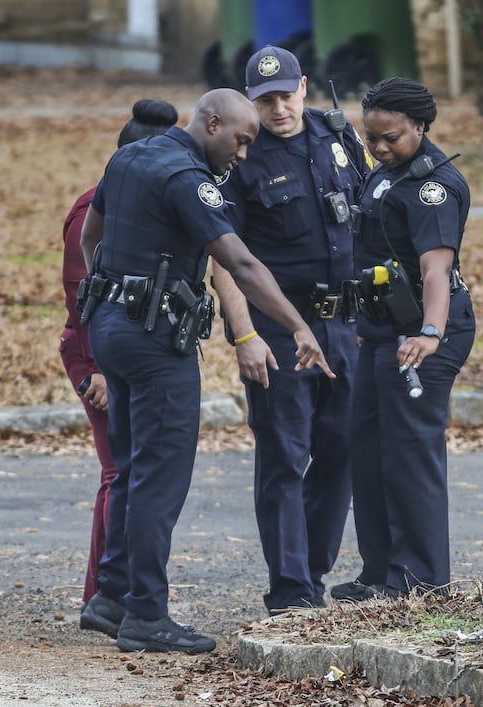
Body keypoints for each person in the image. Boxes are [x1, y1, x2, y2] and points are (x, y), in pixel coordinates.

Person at [78, 87, 335, 654]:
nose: (243, 155)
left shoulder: (128, 157)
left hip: (110, 331)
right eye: (241, 140)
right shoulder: (186, 179)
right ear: (211, 122)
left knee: (128, 465)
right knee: (158, 476)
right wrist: (297, 326)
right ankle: (146, 615)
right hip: (153, 343)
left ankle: (112, 595)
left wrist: (111, 292)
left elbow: (89, 236)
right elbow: (240, 262)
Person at [211, 46, 370, 615]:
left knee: (341, 449)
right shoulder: (240, 156)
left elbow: (367, 219)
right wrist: (245, 336)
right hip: (280, 331)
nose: (278, 109)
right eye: (266, 100)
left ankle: (314, 570)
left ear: (304, 87)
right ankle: (290, 589)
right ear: (250, 100)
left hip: (345, 324)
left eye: (286, 95)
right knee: (284, 454)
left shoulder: (337, 135)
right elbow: (225, 258)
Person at [330, 78, 476, 602]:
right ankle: (381, 573)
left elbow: (436, 269)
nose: (380, 148)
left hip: (427, 330)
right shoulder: (388, 174)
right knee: (368, 449)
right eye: (372, 138)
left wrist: (430, 333)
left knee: (409, 453)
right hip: (383, 330)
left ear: (420, 126)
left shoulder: (434, 187)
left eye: (391, 137)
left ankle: (420, 580)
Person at [60, 99, 179, 607]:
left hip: (131, 352)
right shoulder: (93, 211)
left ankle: (118, 593)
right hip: (96, 359)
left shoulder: (154, 208)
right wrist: (98, 371)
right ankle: (103, 596)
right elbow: (80, 294)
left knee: (132, 470)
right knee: (119, 473)